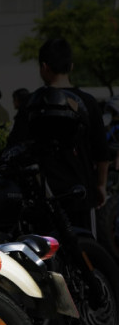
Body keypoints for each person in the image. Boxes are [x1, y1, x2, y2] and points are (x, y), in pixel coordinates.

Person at [8, 37, 109, 229]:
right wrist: (101, 185)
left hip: (43, 196)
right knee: (84, 245)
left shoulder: (31, 102)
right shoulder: (88, 101)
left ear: (44, 67)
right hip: (81, 192)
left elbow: (15, 147)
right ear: (71, 66)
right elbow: (101, 152)